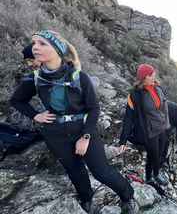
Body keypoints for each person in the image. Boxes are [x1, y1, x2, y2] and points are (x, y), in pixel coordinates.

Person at [10, 30, 139, 214]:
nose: (34, 47)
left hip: (84, 131)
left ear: (57, 49)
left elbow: (94, 109)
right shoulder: (35, 78)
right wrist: (36, 115)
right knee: (74, 170)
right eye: (33, 43)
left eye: (42, 43)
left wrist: (85, 137)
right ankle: (86, 198)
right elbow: (16, 100)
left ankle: (128, 196)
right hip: (55, 135)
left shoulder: (79, 77)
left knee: (102, 171)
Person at [119, 64, 170, 186]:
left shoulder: (158, 89)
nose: (154, 77)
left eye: (154, 74)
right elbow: (128, 118)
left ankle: (156, 173)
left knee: (161, 153)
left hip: (161, 128)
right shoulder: (135, 95)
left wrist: (167, 126)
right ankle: (149, 177)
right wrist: (123, 140)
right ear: (142, 78)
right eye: (150, 75)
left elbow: (165, 109)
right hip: (149, 131)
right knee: (153, 156)